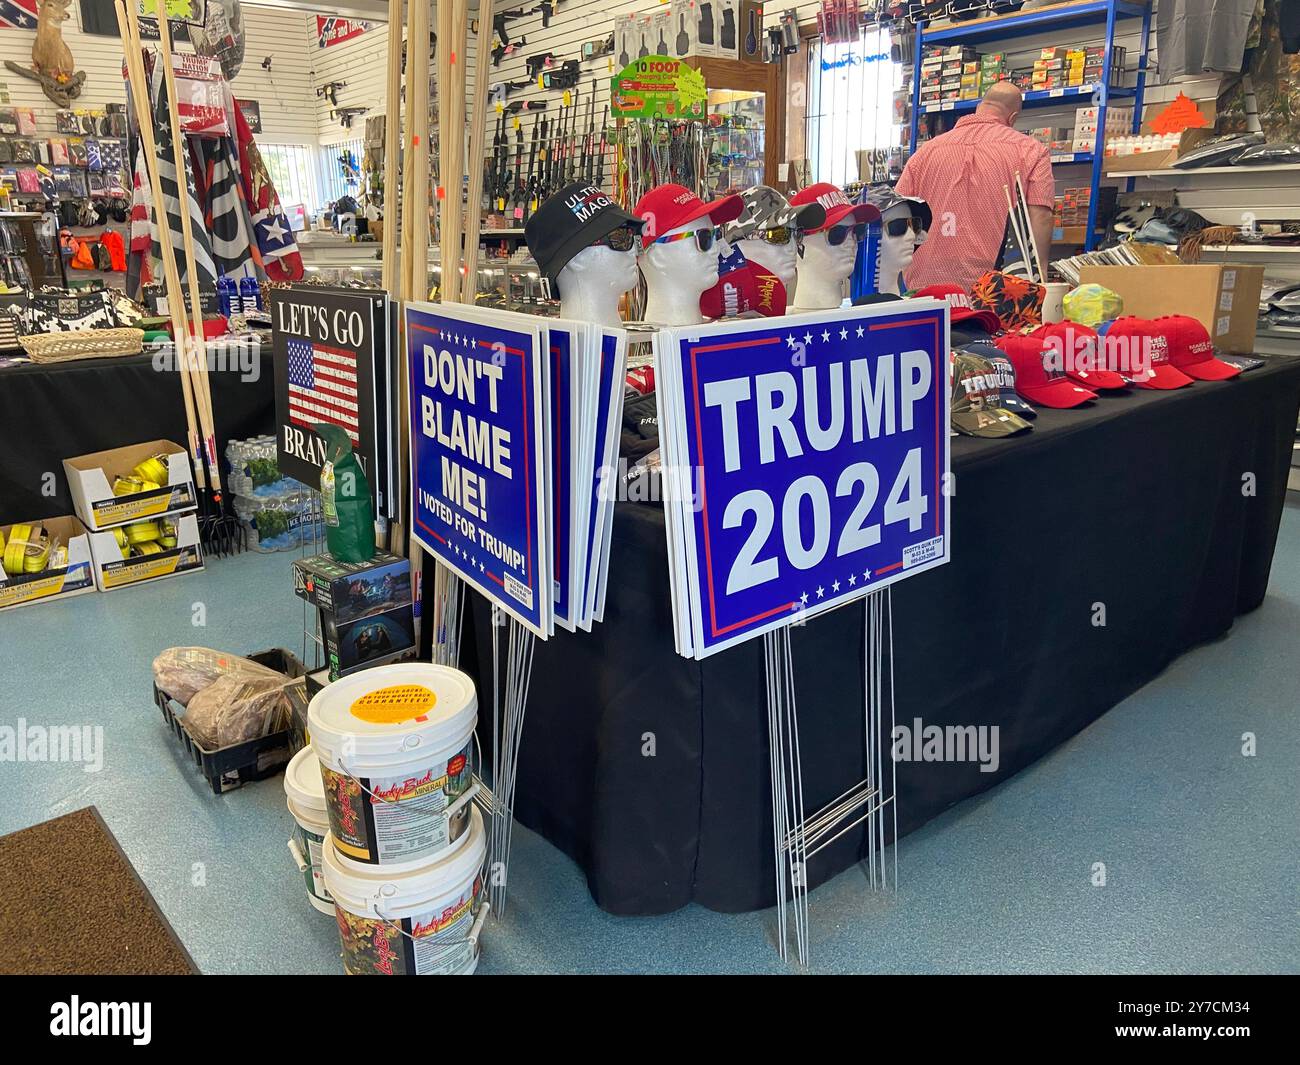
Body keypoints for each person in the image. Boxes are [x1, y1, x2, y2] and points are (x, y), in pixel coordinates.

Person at [895, 83, 1055, 291]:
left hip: (926, 287)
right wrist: (1039, 281)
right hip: (994, 291)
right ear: (1013, 117)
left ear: (980, 106)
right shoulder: (1031, 151)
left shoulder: (925, 152)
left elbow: (897, 210)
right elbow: (1040, 217)